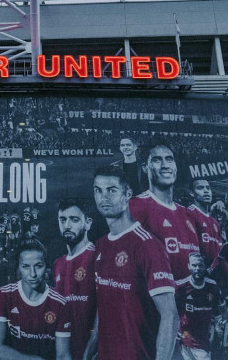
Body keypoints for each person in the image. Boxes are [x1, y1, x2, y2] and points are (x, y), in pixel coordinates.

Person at [89, 164, 178, 360]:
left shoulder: (147, 245)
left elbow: (170, 316)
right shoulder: (101, 245)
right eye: (98, 190)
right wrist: (88, 352)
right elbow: (103, 307)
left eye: (111, 190)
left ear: (127, 194)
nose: (104, 197)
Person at [129, 143, 201, 281]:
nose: (165, 165)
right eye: (157, 160)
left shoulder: (188, 214)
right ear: (145, 167)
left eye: (169, 159)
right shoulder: (135, 206)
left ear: (176, 166)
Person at [0, 240, 71, 360]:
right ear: (18, 268)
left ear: (47, 267)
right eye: (26, 266)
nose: (33, 274)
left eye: (38, 266)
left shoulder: (60, 303)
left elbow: (63, 355)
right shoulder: (4, 295)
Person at [51, 199, 96, 360]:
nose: (67, 226)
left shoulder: (98, 257)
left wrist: (88, 354)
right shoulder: (58, 263)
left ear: (87, 223)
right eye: (62, 220)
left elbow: (105, 314)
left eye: (74, 219)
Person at [175, 252, 224, 360]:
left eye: (200, 265)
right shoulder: (179, 287)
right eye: (194, 265)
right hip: (187, 336)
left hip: (206, 336)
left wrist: (219, 325)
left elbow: (217, 309)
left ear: (205, 266)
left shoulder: (213, 286)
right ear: (188, 266)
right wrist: (173, 327)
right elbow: (168, 310)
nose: (197, 268)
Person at [187, 179, 223, 267]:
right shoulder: (188, 214)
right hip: (200, 270)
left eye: (208, 188)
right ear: (192, 193)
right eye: (200, 188)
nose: (206, 191)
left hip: (216, 270)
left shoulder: (214, 221)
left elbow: (220, 250)